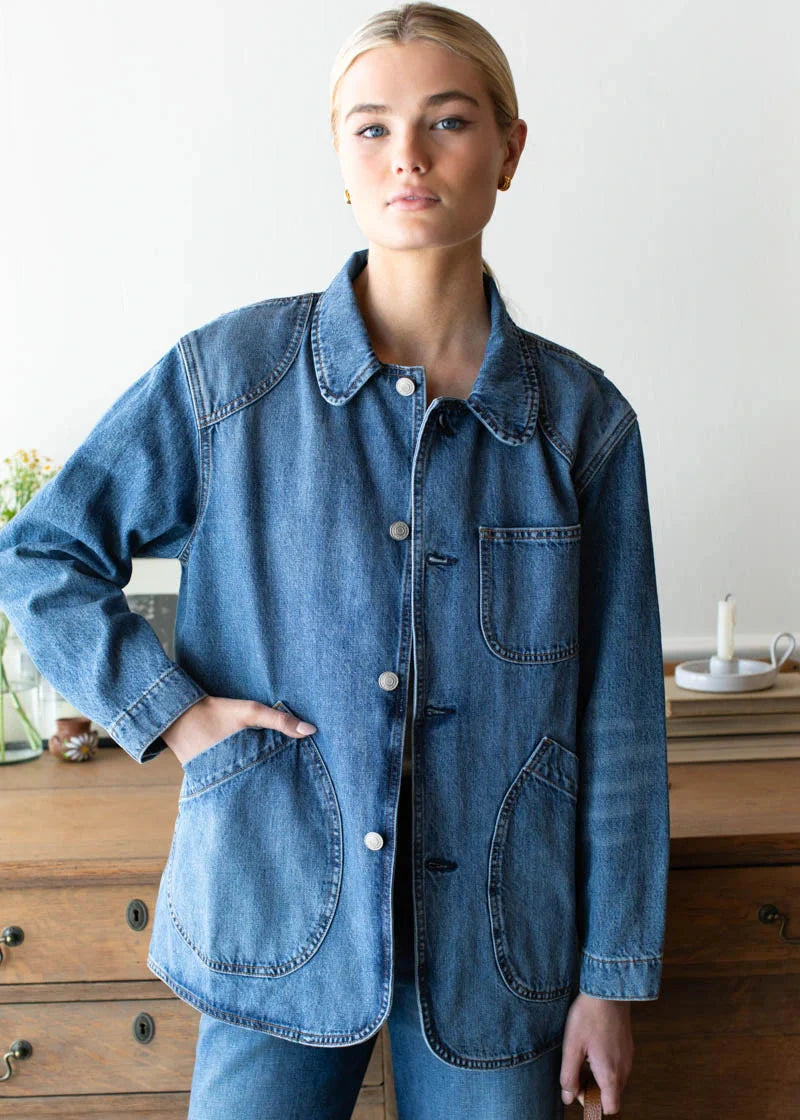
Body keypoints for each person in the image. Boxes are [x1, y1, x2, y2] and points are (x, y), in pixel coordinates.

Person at [0, 3, 670, 1117]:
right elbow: (42, 554)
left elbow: (616, 720)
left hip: (500, 945)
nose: (405, 154)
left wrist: (610, 978)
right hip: (270, 911)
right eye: (370, 128)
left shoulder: (579, 424)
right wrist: (171, 711)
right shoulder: (231, 381)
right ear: (337, 158)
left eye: (445, 121)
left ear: (507, 148)